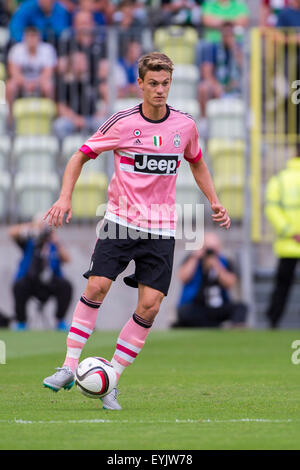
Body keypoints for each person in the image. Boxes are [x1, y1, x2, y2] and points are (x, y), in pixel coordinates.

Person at [42, 51, 231, 410]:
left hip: (161, 228)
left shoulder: (185, 126)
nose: (160, 90)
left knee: (150, 305)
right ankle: (68, 366)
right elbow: (79, 155)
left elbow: (198, 163)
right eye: (154, 84)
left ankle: (110, 378)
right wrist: (65, 197)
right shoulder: (123, 122)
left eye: (166, 84)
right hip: (120, 221)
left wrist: (215, 200)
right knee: (97, 285)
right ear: (140, 84)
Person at [9, 216, 73, 331]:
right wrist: (32, 229)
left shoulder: (54, 245)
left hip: (50, 282)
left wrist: (56, 242)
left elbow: (67, 259)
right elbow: (12, 232)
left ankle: (60, 321)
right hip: (31, 282)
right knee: (19, 286)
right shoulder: (29, 242)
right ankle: (21, 322)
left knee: (66, 286)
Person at [173, 232, 247, 328]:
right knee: (184, 312)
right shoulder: (193, 259)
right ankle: (214, 325)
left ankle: (213, 325)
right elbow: (183, 277)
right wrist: (195, 257)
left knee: (241, 308)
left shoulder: (224, 261)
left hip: (218, 306)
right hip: (197, 306)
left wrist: (216, 266)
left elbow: (230, 283)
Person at [264, 144, 300, 328]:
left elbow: (271, 208)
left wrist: (290, 232)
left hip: (288, 243)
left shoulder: (280, 180)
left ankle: (273, 320)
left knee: (282, 286)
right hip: (290, 243)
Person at [6, 26, 57, 120]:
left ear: (39, 37)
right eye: (29, 36)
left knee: (48, 86)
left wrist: (35, 83)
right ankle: (10, 117)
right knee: (10, 85)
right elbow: (14, 72)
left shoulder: (47, 49)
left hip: (40, 83)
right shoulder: (16, 49)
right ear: (24, 38)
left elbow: (48, 73)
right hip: (22, 84)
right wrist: (26, 83)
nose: (31, 39)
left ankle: (52, 118)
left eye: (34, 36)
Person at [52, 51, 103, 140]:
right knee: (59, 125)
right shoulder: (65, 83)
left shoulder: (93, 81)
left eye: (83, 61)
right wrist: (76, 119)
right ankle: (62, 152)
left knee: (103, 123)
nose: (81, 64)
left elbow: (105, 102)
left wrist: (98, 114)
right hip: (71, 120)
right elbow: (61, 107)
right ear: (72, 65)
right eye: (78, 62)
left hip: (91, 119)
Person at [197, 21, 243, 118]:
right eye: (225, 33)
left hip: (235, 85)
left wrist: (234, 48)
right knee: (203, 88)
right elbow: (206, 73)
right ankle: (204, 120)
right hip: (218, 85)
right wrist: (216, 87)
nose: (227, 36)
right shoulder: (212, 48)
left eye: (230, 33)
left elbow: (244, 67)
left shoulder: (239, 48)